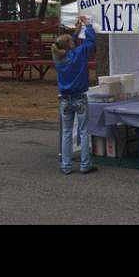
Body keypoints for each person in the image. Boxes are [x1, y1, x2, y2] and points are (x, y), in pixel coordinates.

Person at [52, 15, 97, 175]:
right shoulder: (79, 54)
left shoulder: (58, 57)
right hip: (79, 97)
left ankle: (66, 165)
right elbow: (91, 42)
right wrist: (88, 25)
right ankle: (85, 164)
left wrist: (76, 31)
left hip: (64, 99)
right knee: (84, 131)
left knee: (66, 132)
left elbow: (63, 44)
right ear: (70, 45)